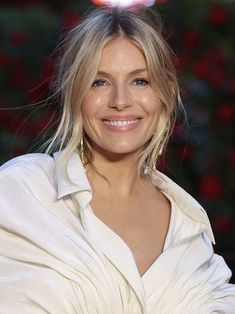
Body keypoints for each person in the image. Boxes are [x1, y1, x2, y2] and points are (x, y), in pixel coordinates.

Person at [0, 2, 235, 313]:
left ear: (164, 93)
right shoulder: (20, 192)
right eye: (99, 82)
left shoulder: (190, 229)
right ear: (74, 93)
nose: (121, 101)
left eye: (140, 81)